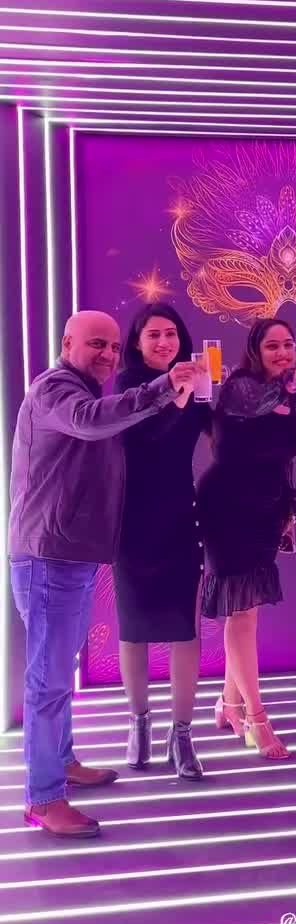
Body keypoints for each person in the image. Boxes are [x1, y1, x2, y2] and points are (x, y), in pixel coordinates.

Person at [8, 311, 196, 838]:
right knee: (48, 681)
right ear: (67, 341)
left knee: (57, 672)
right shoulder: (56, 389)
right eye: (97, 344)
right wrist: (163, 388)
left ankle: (61, 762)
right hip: (50, 556)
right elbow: (90, 420)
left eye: (113, 347)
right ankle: (44, 798)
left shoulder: (80, 391)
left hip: (70, 553)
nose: (109, 355)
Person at [198, 317, 296, 760]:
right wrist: (293, 383)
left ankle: (228, 703)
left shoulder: (289, 389)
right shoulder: (240, 386)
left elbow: (284, 452)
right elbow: (258, 405)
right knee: (242, 612)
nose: (283, 353)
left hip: (267, 507)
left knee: (247, 609)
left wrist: (287, 509)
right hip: (228, 508)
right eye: (273, 346)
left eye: (289, 345)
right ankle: (256, 716)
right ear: (255, 350)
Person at [114, 305, 212, 780]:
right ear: (137, 342)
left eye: (171, 333)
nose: (164, 342)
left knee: (184, 629)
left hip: (180, 516)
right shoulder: (127, 386)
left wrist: (283, 393)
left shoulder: (197, 383)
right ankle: (139, 724)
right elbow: (146, 439)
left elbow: (222, 432)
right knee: (133, 628)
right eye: (153, 334)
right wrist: (178, 394)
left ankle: (182, 734)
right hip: (132, 520)